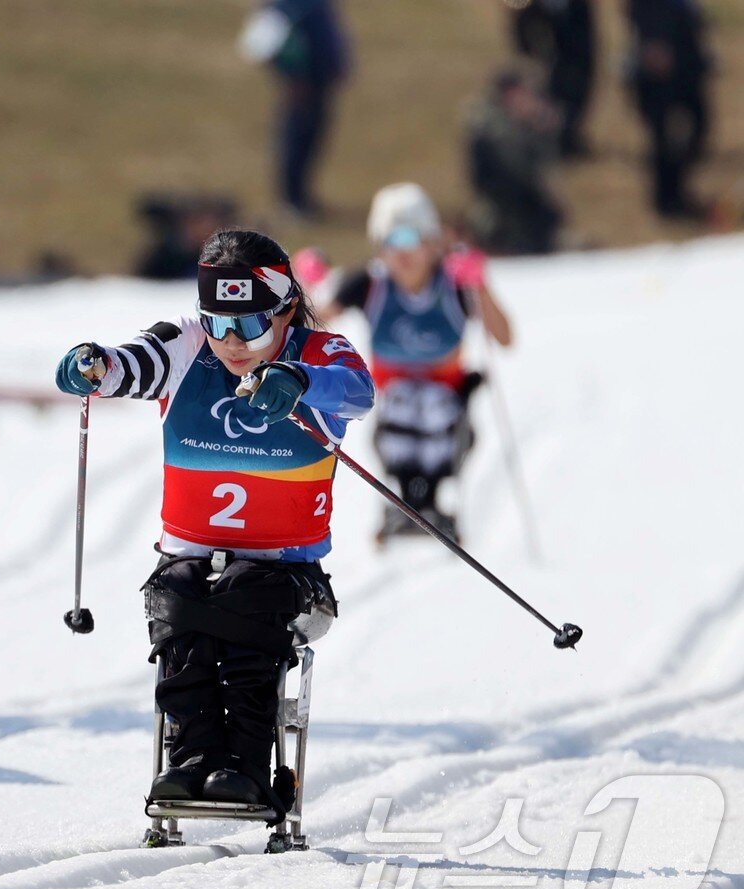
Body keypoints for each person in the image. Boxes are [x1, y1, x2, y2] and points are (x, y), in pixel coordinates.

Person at [54, 229, 373, 811]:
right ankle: (192, 755)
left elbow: (357, 392)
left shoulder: (319, 352)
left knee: (246, 591)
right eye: (217, 322)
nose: (231, 342)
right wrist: (94, 367)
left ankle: (247, 764)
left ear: (285, 311)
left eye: (250, 325)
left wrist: (300, 382)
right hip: (188, 561)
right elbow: (130, 363)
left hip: (286, 575)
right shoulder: (185, 344)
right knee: (178, 595)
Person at [321, 183, 512, 542]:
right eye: (392, 241)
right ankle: (405, 502)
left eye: (413, 239)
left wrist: (481, 285)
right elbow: (314, 324)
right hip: (394, 393)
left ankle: (434, 503)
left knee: (437, 417)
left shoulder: (454, 286)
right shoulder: (368, 284)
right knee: (402, 417)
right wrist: (303, 288)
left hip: (445, 389)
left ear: (432, 242)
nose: (403, 252)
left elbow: (504, 337)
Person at [240, 0, 350, 218]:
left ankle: (303, 197)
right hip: (300, 85)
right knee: (296, 139)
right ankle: (291, 200)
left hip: (320, 81)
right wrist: (292, 75)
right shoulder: (287, 5)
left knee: (312, 138)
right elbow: (264, 42)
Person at [624, 0, 712, 219]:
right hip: (657, 75)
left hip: (687, 68)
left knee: (698, 128)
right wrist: (653, 45)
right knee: (662, 139)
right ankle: (667, 200)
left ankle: (677, 191)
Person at [465, 68, 564, 255]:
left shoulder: (519, 125)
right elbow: (521, 173)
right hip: (503, 218)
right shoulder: (494, 128)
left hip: (528, 215)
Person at [510, 0, 596, 158]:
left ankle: (567, 138)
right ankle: (552, 140)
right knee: (550, 92)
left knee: (577, 90)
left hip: (577, 47)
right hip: (549, 50)